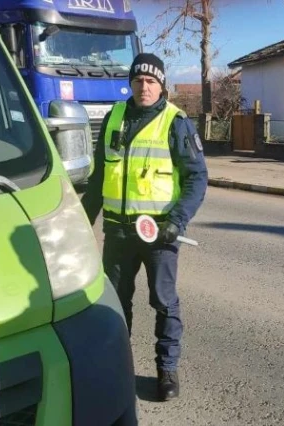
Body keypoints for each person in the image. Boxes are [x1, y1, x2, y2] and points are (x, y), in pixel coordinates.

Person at [81, 52, 208, 402]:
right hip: (118, 232)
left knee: (164, 302)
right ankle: (116, 368)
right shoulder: (114, 117)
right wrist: (80, 220)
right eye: (138, 80)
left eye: (151, 81)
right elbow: (98, 178)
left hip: (158, 234)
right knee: (115, 305)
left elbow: (197, 178)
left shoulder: (176, 122)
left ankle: (166, 371)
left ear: (162, 84)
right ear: (130, 83)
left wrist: (176, 221)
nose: (144, 86)